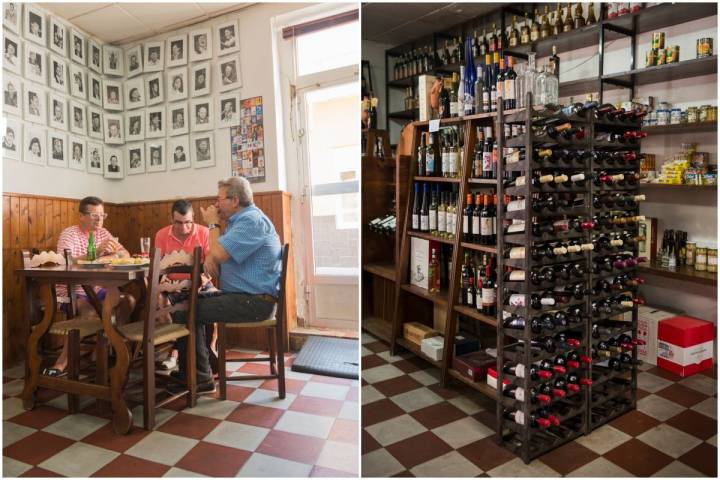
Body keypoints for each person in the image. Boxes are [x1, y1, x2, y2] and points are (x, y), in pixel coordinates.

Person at [167, 178, 281, 394]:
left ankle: (199, 378)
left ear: (235, 200)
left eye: (220, 199)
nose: (216, 204)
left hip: (255, 302)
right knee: (183, 305)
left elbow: (217, 254)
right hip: (243, 296)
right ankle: (194, 371)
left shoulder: (251, 221)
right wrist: (212, 255)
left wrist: (212, 224)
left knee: (189, 310)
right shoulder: (240, 221)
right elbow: (215, 257)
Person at [45, 196, 129, 376]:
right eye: (94, 215)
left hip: (98, 288)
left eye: (102, 215)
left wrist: (108, 256)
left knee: (127, 300)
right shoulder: (70, 234)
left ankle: (104, 348)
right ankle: (63, 361)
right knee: (90, 311)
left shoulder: (103, 233)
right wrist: (97, 253)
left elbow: (125, 253)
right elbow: (66, 261)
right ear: (81, 216)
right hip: (72, 290)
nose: (99, 219)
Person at [153, 200, 216, 370]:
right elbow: (158, 268)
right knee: (160, 304)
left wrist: (201, 280)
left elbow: (211, 264)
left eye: (188, 222)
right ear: (171, 219)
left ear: (193, 219)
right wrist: (166, 285)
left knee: (213, 303)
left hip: (199, 282)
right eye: (178, 223)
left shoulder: (204, 232)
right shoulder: (161, 235)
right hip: (170, 284)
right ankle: (175, 352)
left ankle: (209, 351)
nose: (183, 228)